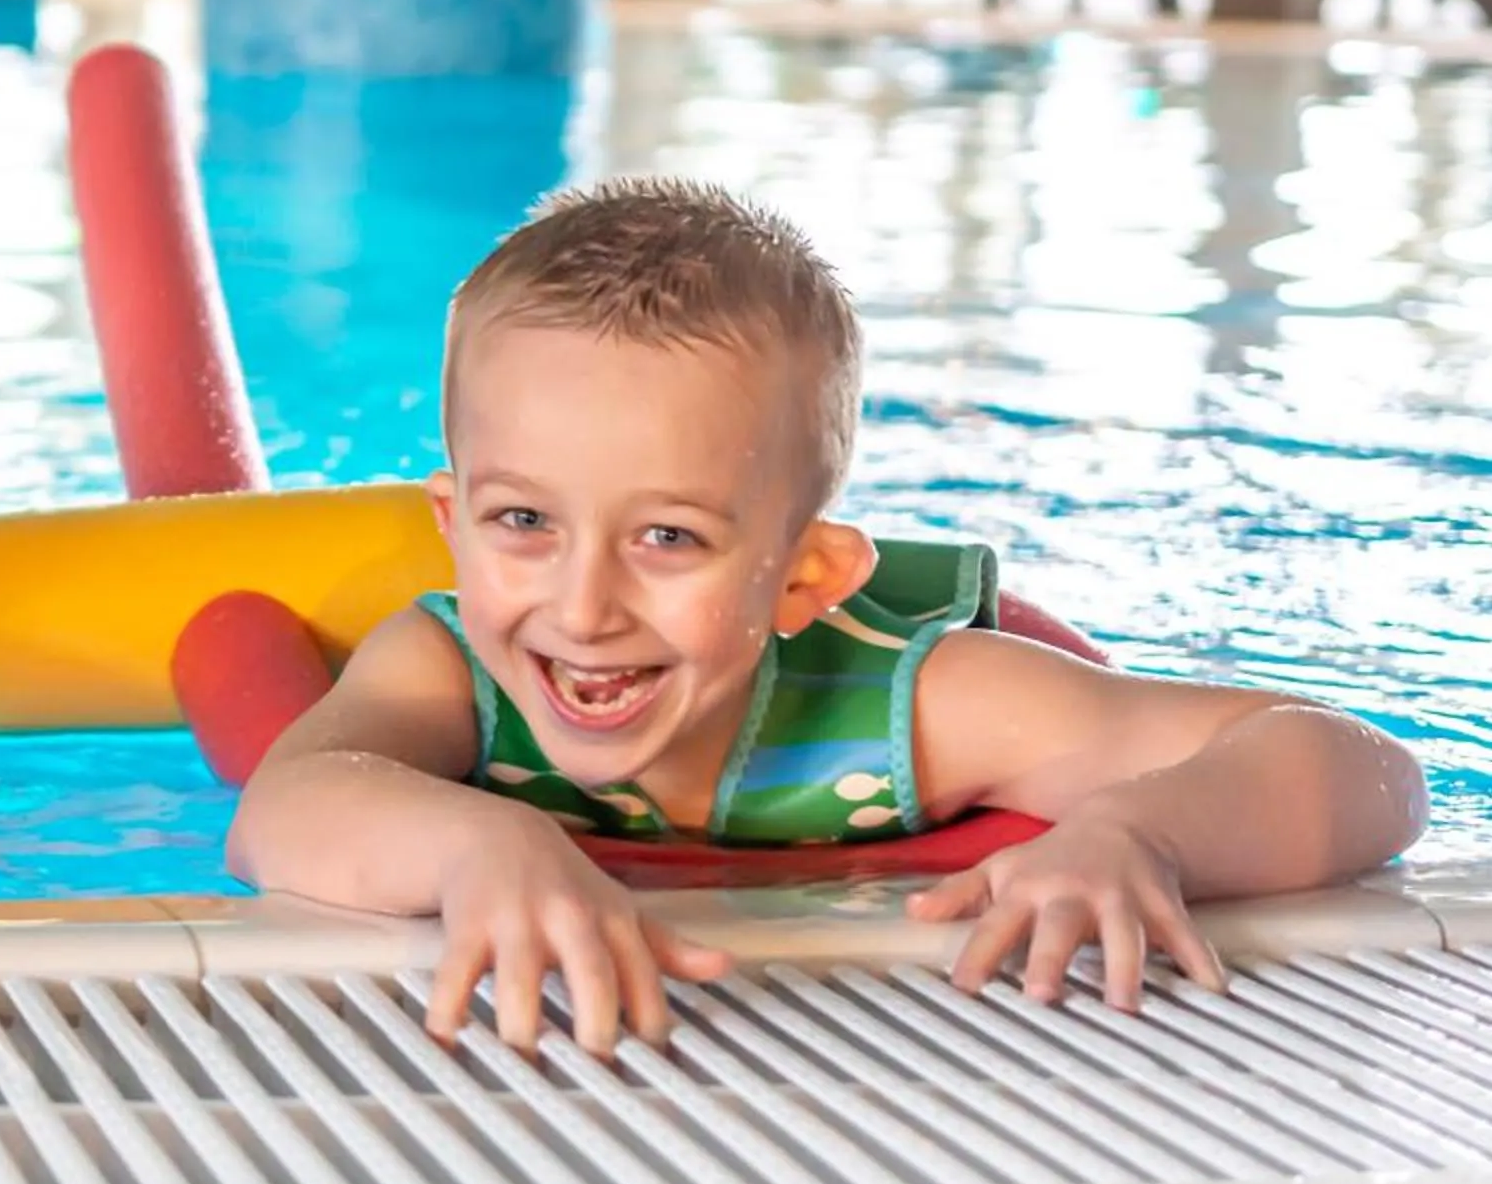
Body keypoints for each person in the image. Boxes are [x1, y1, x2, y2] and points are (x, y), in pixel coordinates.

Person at [229, 178, 1427, 1058]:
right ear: (452, 521)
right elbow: (284, 805)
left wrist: (1142, 836)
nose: (581, 606)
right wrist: (481, 842)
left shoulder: (919, 707)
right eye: (524, 520)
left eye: (667, 537)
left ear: (804, 577)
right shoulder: (446, 668)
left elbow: (1364, 768)